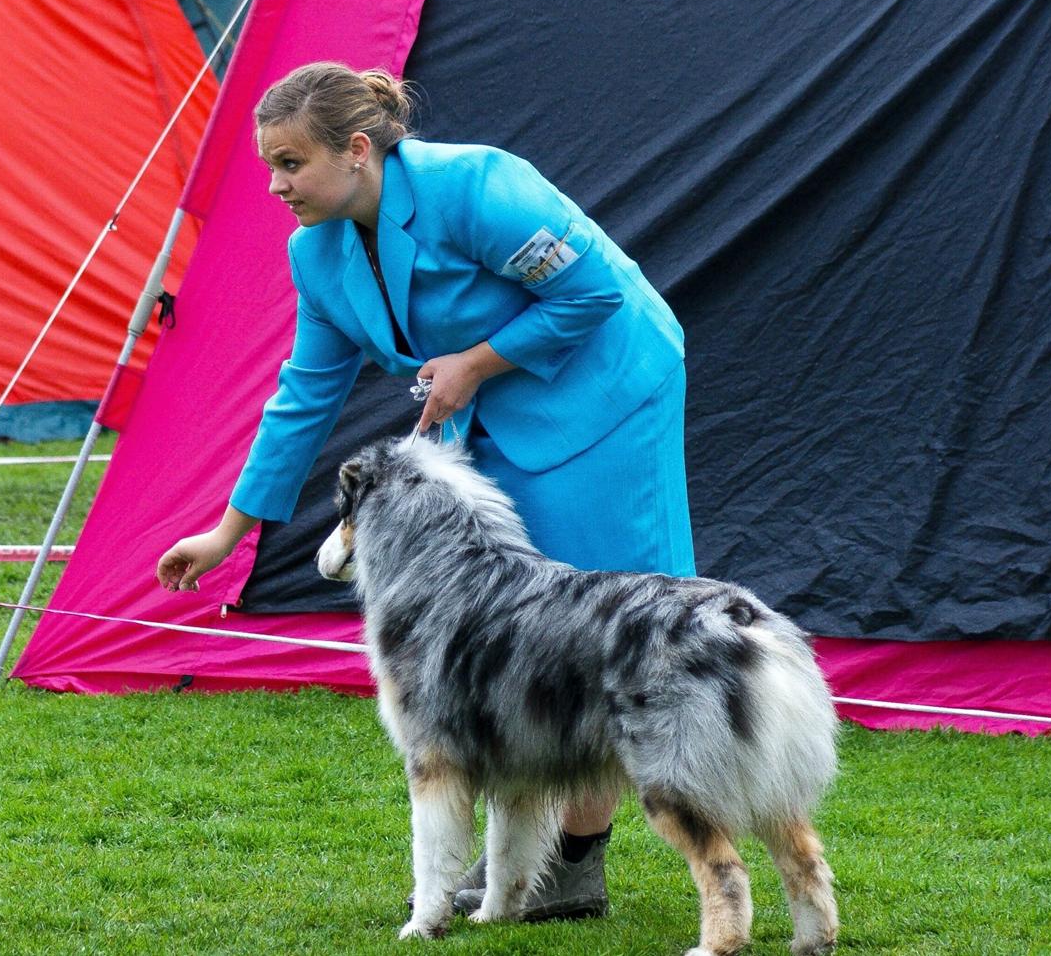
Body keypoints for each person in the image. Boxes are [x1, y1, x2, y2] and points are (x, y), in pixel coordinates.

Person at [156, 62, 696, 920]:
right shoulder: (317, 254)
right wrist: (228, 530)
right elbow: (304, 396)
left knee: (596, 623)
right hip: (492, 412)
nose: (275, 185)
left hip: (607, 393)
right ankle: (529, 852)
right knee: (518, 635)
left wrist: (473, 363)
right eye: (270, 166)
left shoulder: (478, 185)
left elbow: (592, 291)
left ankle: (574, 861)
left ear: (356, 149)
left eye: (291, 163)